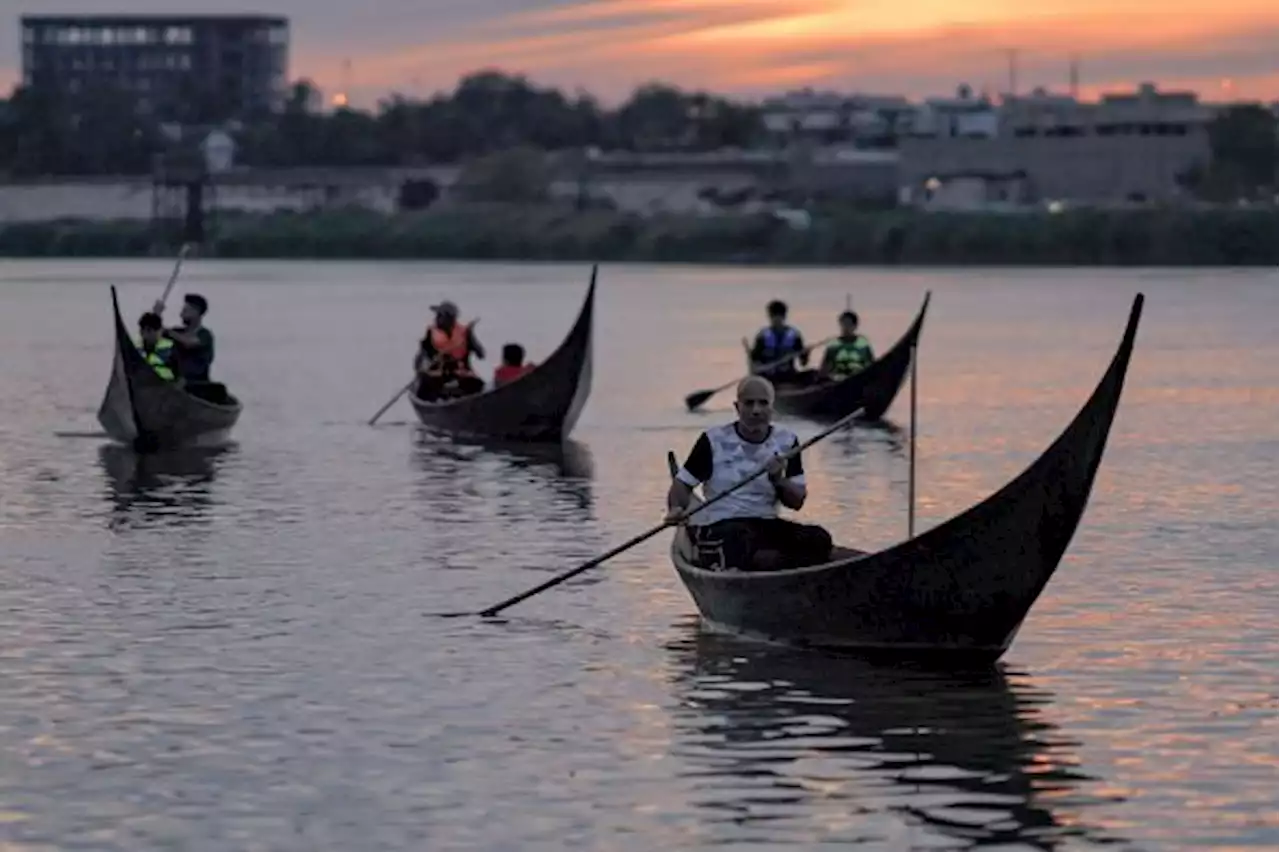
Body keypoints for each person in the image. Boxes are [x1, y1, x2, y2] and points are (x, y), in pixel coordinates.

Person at [666, 375, 833, 572]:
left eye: (763, 404)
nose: (756, 410)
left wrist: (778, 480)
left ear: (772, 408)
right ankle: (751, 564)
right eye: (749, 403)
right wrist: (676, 508)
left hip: (765, 524)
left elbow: (796, 502)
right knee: (738, 538)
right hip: (724, 524)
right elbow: (682, 484)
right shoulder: (713, 440)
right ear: (737, 407)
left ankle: (774, 568)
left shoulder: (787, 442)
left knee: (819, 538)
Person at [416, 300, 486, 400]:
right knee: (424, 387)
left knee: (478, 385)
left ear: (450, 318)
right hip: (438, 377)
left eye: (440, 316)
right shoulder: (430, 334)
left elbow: (481, 355)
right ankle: (441, 399)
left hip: (461, 376)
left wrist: (471, 337)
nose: (436, 318)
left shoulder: (465, 333)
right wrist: (422, 368)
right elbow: (421, 357)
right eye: (437, 315)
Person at [748, 299, 815, 385]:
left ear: (784, 316)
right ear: (770, 316)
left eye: (779, 316)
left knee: (813, 374)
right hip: (769, 377)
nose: (777, 320)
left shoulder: (794, 335)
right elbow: (755, 362)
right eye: (774, 316)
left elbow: (803, 363)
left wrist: (806, 354)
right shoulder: (762, 336)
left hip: (788, 375)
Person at [154, 293, 214, 384]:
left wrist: (169, 333)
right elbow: (156, 332)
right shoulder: (178, 331)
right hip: (177, 381)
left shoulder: (204, 335)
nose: (181, 314)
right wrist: (156, 315)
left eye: (185, 310)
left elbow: (189, 343)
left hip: (198, 384)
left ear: (196, 312)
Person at [820, 310, 875, 381]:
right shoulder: (834, 344)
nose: (846, 327)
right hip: (839, 380)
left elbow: (870, 364)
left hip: (859, 378)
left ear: (855, 326)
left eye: (849, 324)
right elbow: (825, 367)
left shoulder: (863, 343)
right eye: (843, 324)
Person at [136, 312, 177, 381]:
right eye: (145, 330)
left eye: (157, 330)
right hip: (143, 386)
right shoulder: (136, 349)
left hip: (166, 386)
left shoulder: (171, 348)